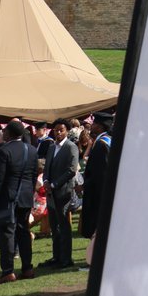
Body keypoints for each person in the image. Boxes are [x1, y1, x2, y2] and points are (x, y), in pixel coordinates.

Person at [0, 121, 37, 284]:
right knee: (24, 231)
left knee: (7, 234)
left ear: (9, 134)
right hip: (26, 197)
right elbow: (34, 175)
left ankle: (8, 272)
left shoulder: (3, 151)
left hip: (7, 198)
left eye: (5, 131)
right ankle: (27, 268)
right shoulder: (32, 150)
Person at [42, 119, 78, 269]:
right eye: (56, 130)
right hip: (50, 193)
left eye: (61, 130)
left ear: (67, 131)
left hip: (63, 192)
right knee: (54, 226)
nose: (58, 133)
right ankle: (56, 256)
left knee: (64, 226)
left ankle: (66, 258)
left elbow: (71, 169)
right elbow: (46, 167)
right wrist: (45, 181)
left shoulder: (71, 147)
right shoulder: (51, 147)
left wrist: (55, 184)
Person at [80, 112, 113, 247]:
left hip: (97, 194)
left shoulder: (101, 144)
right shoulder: (107, 140)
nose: (91, 126)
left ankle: (95, 257)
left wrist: (85, 185)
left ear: (100, 127)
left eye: (94, 124)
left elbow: (100, 174)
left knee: (97, 227)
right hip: (102, 191)